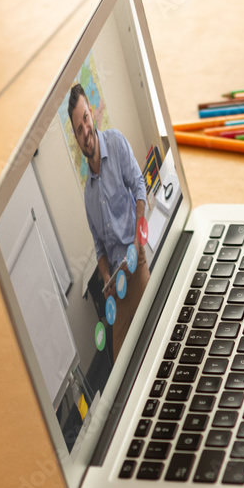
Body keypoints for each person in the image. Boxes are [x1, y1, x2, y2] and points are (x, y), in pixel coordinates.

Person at [68, 83, 149, 359]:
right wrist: (105, 276)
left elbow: (139, 187)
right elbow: (100, 248)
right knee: (121, 361)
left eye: (85, 119)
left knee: (152, 335)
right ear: (77, 138)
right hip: (117, 287)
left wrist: (139, 237)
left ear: (91, 113)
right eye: (79, 129)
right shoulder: (88, 194)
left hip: (137, 266)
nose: (85, 130)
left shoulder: (115, 142)